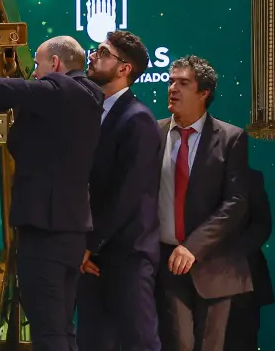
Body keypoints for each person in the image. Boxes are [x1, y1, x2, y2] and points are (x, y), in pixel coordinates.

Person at [0, 35, 102, 351]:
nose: (34, 75)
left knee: (48, 332)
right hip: (72, 233)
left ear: (55, 64)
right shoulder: (87, 97)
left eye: (37, 67)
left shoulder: (60, 91)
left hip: (45, 232)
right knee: (62, 328)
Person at [156, 55, 250, 351]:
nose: (173, 88)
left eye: (183, 83)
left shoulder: (231, 138)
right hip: (166, 263)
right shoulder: (152, 133)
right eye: (171, 81)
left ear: (204, 92)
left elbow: (236, 202)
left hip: (215, 264)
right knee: (178, 344)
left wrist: (192, 247)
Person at [77, 31, 161, 351]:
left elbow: (127, 194)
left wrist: (91, 245)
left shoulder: (138, 119)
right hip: (92, 256)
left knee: (139, 343)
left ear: (124, 68)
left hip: (128, 257)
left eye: (102, 52)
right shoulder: (91, 112)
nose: (92, 56)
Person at [224, 167, 274, 351]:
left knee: (241, 340)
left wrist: (232, 254)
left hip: (242, 281)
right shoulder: (184, 174)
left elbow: (262, 224)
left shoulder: (250, 177)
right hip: (194, 279)